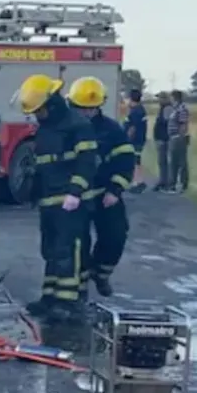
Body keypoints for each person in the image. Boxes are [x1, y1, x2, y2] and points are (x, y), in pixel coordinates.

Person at [15, 74, 98, 322]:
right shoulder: (46, 127)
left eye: (39, 110)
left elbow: (87, 162)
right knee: (50, 249)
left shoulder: (78, 125)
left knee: (67, 250)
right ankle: (50, 296)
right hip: (49, 199)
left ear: (51, 104)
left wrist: (75, 192)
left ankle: (68, 301)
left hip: (69, 200)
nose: (36, 115)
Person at [67, 77, 134, 298]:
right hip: (75, 198)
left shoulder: (112, 130)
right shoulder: (66, 129)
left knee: (116, 236)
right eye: (82, 108)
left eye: (92, 108)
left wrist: (115, 189)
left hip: (104, 195)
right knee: (79, 244)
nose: (87, 113)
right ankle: (80, 289)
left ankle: (101, 273)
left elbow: (125, 161)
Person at [167, 90, 191, 193]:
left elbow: (183, 124)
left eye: (171, 97)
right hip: (173, 137)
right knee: (173, 162)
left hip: (178, 138)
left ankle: (182, 184)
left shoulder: (182, 109)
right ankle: (172, 185)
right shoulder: (175, 108)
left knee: (181, 162)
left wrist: (180, 137)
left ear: (174, 98)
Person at [124, 89, 147, 193]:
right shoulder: (139, 109)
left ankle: (138, 182)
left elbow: (132, 128)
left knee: (135, 161)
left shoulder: (136, 111)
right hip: (138, 139)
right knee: (136, 160)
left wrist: (127, 139)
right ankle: (137, 181)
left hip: (135, 140)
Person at [153, 92, 174, 192]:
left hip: (164, 139)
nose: (159, 100)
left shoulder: (167, 108)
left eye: (160, 98)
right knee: (161, 162)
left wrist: (163, 137)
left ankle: (166, 182)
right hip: (161, 138)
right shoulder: (163, 108)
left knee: (165, 162)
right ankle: (162, 181)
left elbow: (167, 123)